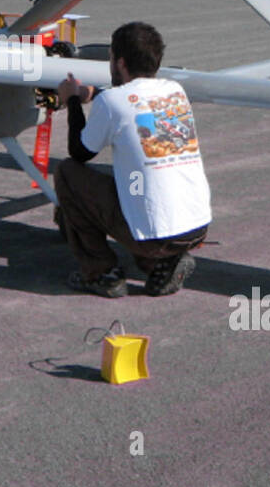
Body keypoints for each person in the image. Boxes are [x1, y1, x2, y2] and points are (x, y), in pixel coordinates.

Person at [55, 21, 211, 297]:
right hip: (197, 228)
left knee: (68, 174)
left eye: (112, 58)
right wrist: (92, 93)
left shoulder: (112, 102)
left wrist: (72, 101)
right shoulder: (175, 91)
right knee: (137, 181)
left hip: (156, 237)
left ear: (121, 62)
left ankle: (102, 273)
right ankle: (162, 263)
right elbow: (135, 101)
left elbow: (79, 152)